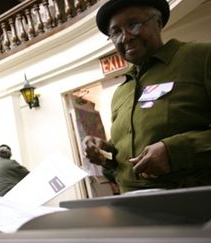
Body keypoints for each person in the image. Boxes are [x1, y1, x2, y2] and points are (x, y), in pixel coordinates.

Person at [82, 0, 211, 193]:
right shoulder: (121, 92)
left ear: (158, 22)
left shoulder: (201, 58)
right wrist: (104, 153)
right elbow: (122, 163)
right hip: (133, 206)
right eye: (116, 32)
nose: (126, 37)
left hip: (194, 204)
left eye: (134, 24)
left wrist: (175, 151)